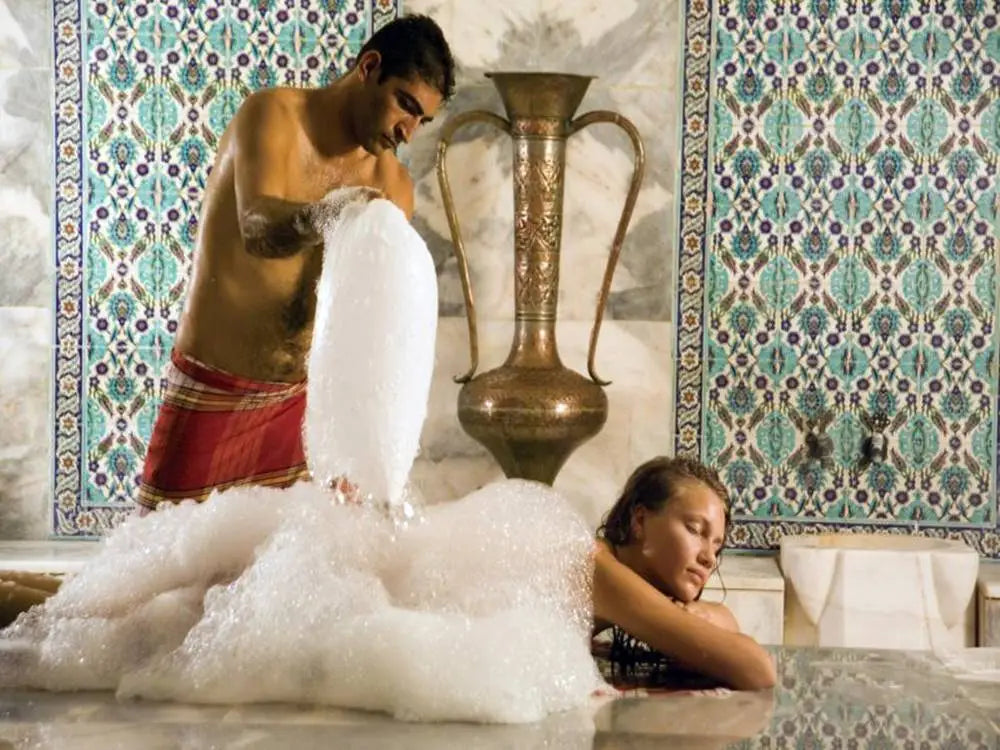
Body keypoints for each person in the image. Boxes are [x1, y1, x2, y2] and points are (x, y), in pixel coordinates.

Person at [135, 15, 456, 514]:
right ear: (369, 67)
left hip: (304, 415)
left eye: (422, 121)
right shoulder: (273, 116)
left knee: (301, 564)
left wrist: (363, 441)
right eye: (406, 105)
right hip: (214, 388)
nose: (408, 132)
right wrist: (330, 212)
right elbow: (257, 229)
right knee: (160, 561)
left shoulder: (394, 186)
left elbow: (371, 319)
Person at [591, 456, 777, 690]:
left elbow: (724, 621)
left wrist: (702, 614)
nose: (709, 558)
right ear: (640, 521)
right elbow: (758, 669)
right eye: (695, 530)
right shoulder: (596, 566)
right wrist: (687, 620)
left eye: (716, 546)